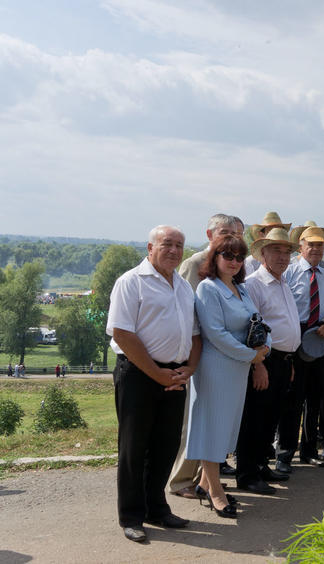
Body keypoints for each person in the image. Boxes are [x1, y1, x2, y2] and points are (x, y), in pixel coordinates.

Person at [107, 225, 200, 542]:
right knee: (134, 448)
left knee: (165, 446)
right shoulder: (131, 282)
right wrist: (157, 374)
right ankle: (131, 516)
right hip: (138, 374)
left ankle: (156, 508)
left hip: (175, 376)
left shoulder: (184, 288)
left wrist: (189, 368)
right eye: (167, 244)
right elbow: (122, 333)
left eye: (180, 245)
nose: (174, 250)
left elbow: (195, 334)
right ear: (150, 247)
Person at [186, 235, 270, 519]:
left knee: (227, 427)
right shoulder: (208, 289)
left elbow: (255, 321)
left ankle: (202, 483)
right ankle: (215, 492)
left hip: (237, 369)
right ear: (215, 257)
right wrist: (251, 356)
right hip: (216, 368)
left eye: (238, 257)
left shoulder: (240, 288)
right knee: (213, 428)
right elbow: (216, 334)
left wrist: (264, 345)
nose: (233, 262)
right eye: (227, 256)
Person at [168, 214, 245, 500]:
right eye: (225, 232)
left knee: (212, 422)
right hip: (197, 354)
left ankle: (205, 479)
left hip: (223, 359)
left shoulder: (233, 267)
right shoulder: (195, 264)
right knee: (194, 420)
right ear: (210, 234)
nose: (230, 238)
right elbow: (189, 313)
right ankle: (181, 479)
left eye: (236, 233)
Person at [238, 227, 301, 494]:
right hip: (265, 360)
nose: (283, 256)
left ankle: (261, 465)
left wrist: (290, 360)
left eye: (287, 251)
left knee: (271, 417)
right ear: (262, 252)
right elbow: (252, 330)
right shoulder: (254, 284)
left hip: (283, 361)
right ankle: (248, 474)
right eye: (276, 250)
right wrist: (258, 364)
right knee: (255, 417)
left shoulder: (283, 282)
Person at [281, 224, 324, 468]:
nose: (316, 249)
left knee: (314, 399)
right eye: (312, 244)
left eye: (320, 245)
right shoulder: (289, 272)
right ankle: (285, 454)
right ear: (301, 246)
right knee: (293, 400)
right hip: (295, 339)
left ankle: (309, 451)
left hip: (320, 339)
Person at [245, 211, 290, 276]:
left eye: (279, 231)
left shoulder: (287, 262)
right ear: (261, 235)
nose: (276, 234)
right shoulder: (250, 263)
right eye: (271, 231)